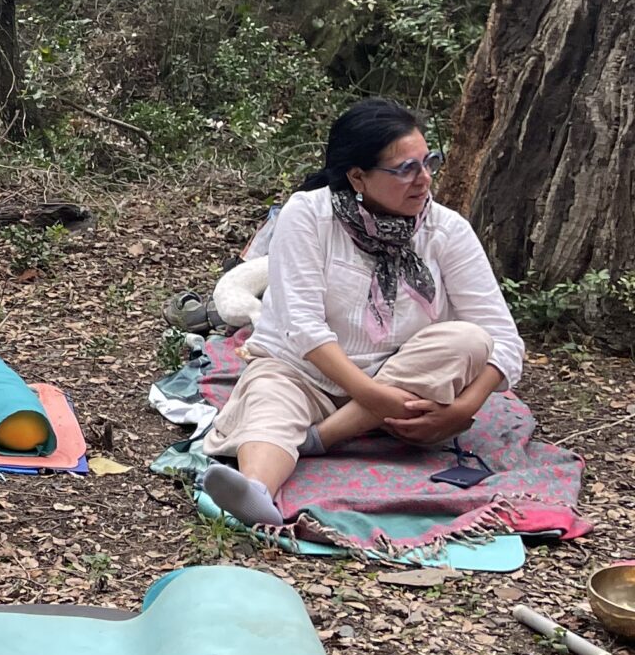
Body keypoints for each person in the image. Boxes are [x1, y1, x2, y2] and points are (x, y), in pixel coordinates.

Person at [199, 98, 526, 529]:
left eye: (428, 162)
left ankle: (317, 439)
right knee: (268, 398)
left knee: (467, 340)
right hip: (306, 372)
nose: (424, 179)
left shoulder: (446, 230)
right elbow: (302, 325)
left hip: (406, 386)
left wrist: (462, 409)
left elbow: (504, 338)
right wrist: (368, 396)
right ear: (357, 176)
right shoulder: (309, 214)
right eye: (405, 169)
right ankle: (257, 492)